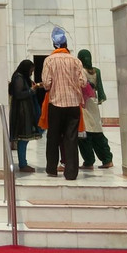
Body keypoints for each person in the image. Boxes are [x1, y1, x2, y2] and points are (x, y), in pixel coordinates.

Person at [41, 26, 87, 181]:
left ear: (54, 45)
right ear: (66, 44)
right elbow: (83, 82)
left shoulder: (49, 60)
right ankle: (71, 173)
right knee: (71, 138)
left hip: (56, 103)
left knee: (53, 137)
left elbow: (46, 84)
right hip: (73, 104)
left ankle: (52, 169)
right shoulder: (75, 61)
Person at [76, 48, 113, 170]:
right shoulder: (97, 71)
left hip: (83, 104)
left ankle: (89, 161)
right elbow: (99, 88)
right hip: (93, 103)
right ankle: (107, 159)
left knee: (84, 134)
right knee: (97, 133)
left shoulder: (80, 71)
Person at [8, 59, 42, 173]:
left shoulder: (22, 77)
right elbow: (18, 94)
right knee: (23, 139)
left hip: (25, 111)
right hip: (22, 112)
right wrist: (31, 90)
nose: (31, 74)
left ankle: (23, 163)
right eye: (30, 71)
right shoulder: (19, 78)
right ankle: (23, 164)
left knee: (24, 139)